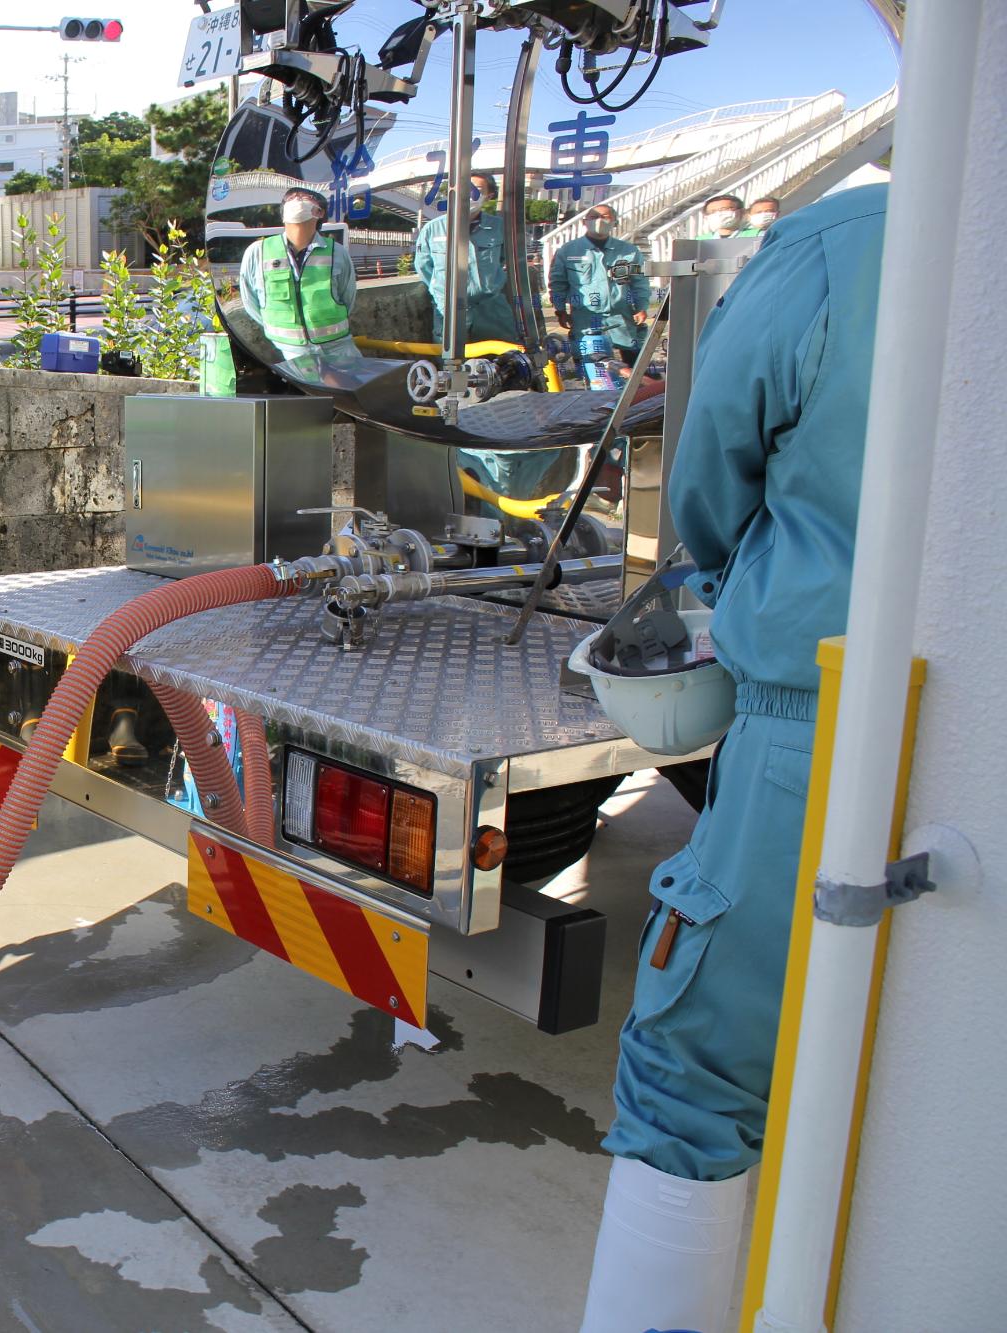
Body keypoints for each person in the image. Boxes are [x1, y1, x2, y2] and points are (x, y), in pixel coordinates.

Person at [579, 183, 889, 1332]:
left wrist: (722, 571)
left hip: (823, 717)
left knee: (695, 1074)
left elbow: (710, 463)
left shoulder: (840, 242)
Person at [237, 187, 358, 358]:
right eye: (292, 197)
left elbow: (348, 299)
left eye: (306, 197)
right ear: (283, 212)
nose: (298, 199)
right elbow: (251, 304)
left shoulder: (337, 253)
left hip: (340, 352)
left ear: (319, 212)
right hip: (290, 357)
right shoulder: (257, 252)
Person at [413, 173, 520, 348]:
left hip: (492, 310)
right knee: (452, 367)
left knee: (501, 364)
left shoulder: (499, 227)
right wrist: (442, 293)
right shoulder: (433, 229)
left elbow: (503, 260)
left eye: (477, 191)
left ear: (489, 196)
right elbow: (424, 267)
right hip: (449, 311)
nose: (469, 195)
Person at [548, 203, 652, 367]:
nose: (599, 221)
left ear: (614, 222)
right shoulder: (569, 251)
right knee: (591, 366)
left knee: (635, 365)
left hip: (620, 316)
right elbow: (557, 283)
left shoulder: (629, 251)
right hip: (584, 318)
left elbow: (639, 281)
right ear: (585, 222)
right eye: (594, 217)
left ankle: (636, 392)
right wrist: (560, 310)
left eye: (605, 217)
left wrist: (641, 306)